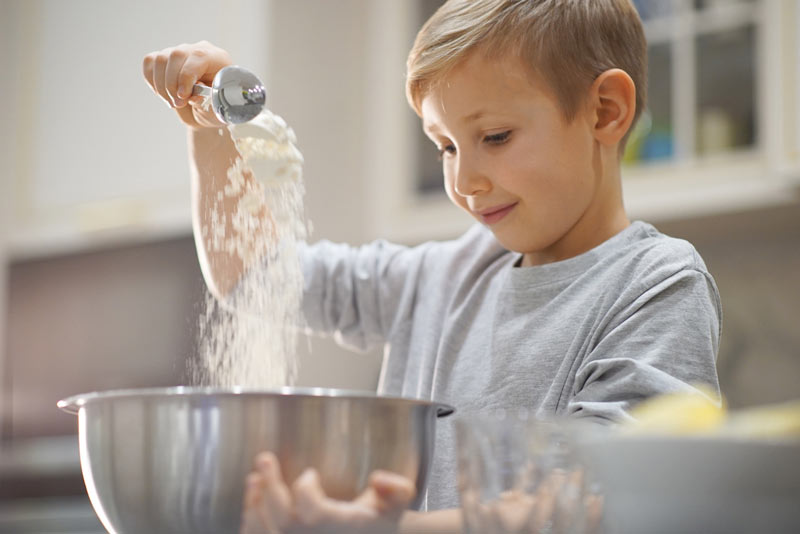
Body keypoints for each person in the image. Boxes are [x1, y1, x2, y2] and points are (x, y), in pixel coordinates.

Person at [142, 0, 721, 532]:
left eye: (494, 136)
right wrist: (209, 131)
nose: (464, 181)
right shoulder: (438, 278)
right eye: (445, 146)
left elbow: (607, 500)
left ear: (604, 111)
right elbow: (259, 278)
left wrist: (390, 529)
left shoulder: (656, 284)